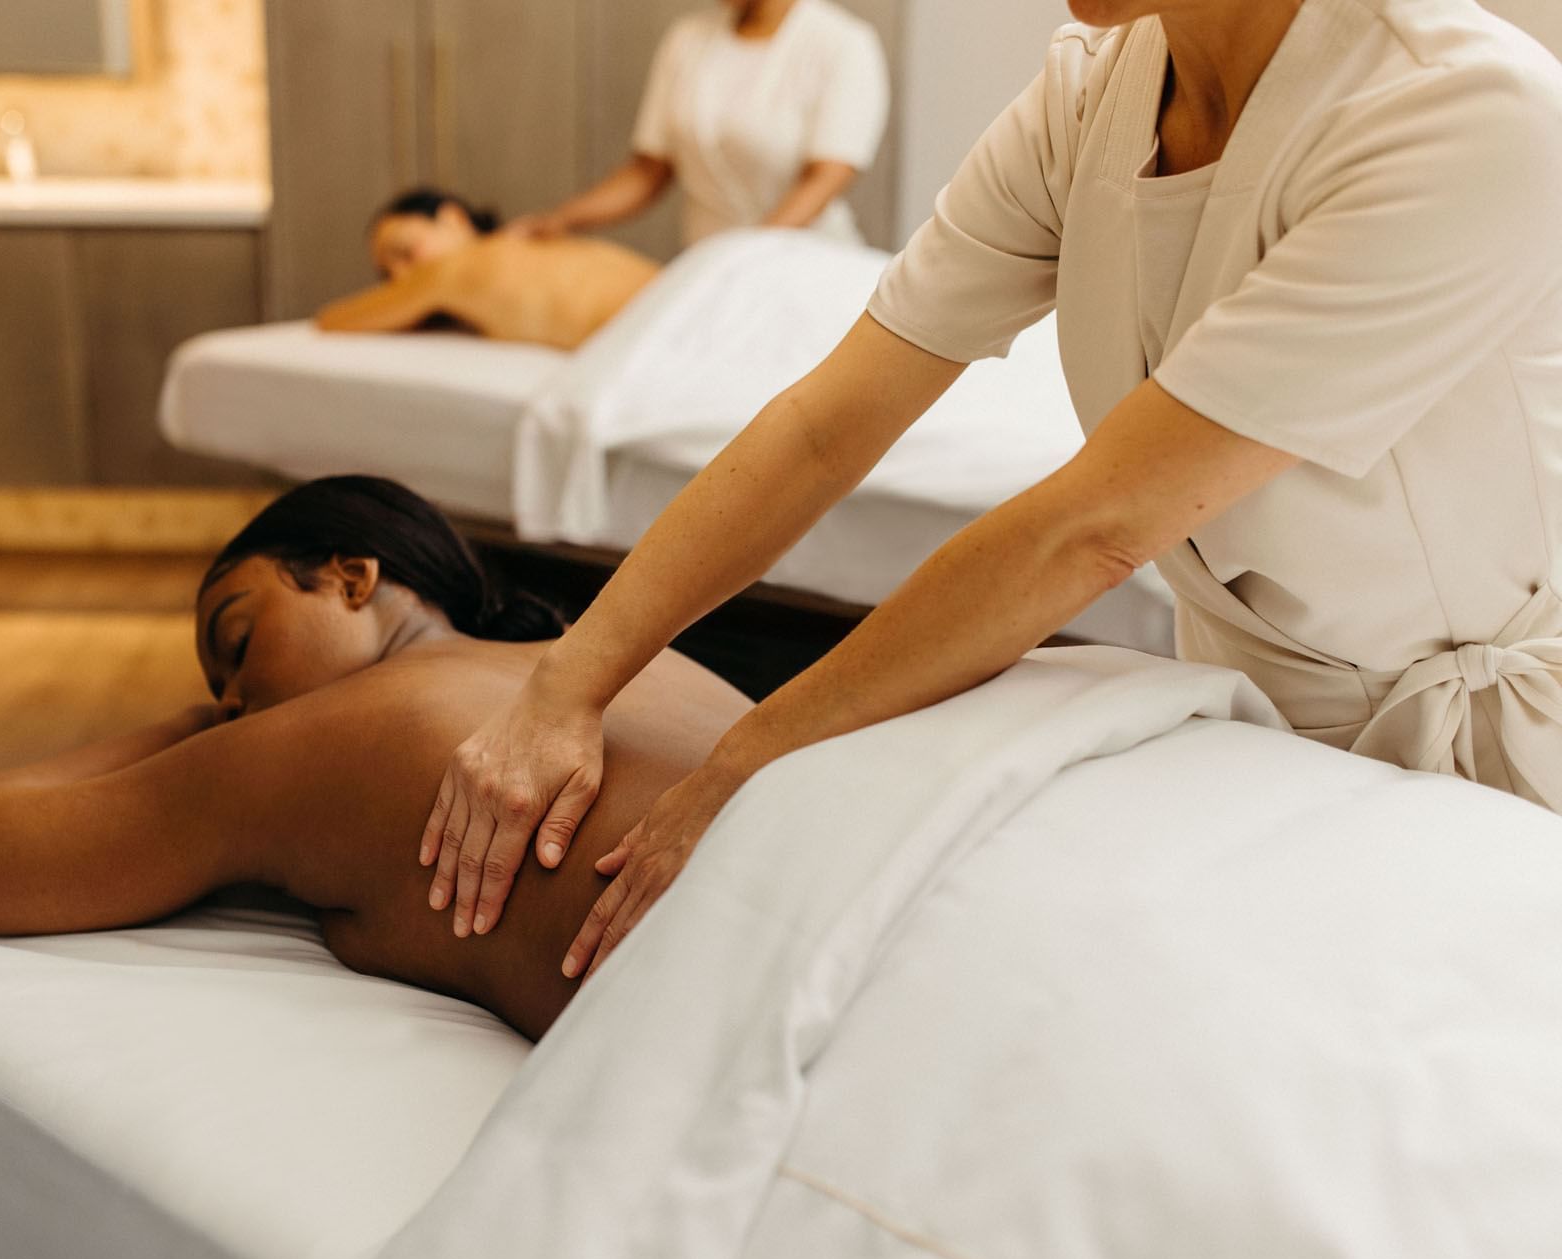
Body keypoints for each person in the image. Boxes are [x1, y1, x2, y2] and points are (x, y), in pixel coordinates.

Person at [423, 0, 1562, 981]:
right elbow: (831, 423)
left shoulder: (1462, 115)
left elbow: (1091, 532)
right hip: (1252, 734)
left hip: (1504, 770)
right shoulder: (1093, 96)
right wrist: (565, 684)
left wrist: (745, 768)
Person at [0, 477, 751, 1041]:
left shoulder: (338, 730)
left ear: (351, 578)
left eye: (237, 638)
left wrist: (193, 729)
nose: (229, 699)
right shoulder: (641, 660)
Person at [506, 0, 889, 246]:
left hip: (804, 263)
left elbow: (825, 179)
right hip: (706, 264)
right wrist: (562, 219)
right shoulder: (687, 39)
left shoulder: (844, 44)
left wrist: (750, 256)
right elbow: (648, 172)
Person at [314, 188, 658, 350]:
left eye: (404, 251)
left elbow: (332, 320)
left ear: (452, 218)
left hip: (660, 326)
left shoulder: (451, 268)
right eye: (387, 275)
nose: (402, 277)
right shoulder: (532, 247)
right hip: (684, 289)